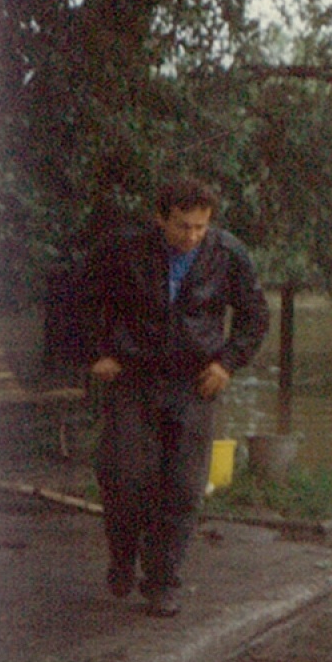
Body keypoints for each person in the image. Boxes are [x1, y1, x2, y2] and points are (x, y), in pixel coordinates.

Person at [83, 178, 268, 616]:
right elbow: (80, 300)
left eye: (201, 227)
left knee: (183, 486)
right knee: (123, 476)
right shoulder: (123, 249)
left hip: (194, 382)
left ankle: (163, 580)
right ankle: (123, 555)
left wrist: (227, 364)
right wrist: (96, 352)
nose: (192, 236)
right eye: (183, 226)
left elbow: (255, 317)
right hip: (133, 376)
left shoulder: (228, 254)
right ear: (160, 218)